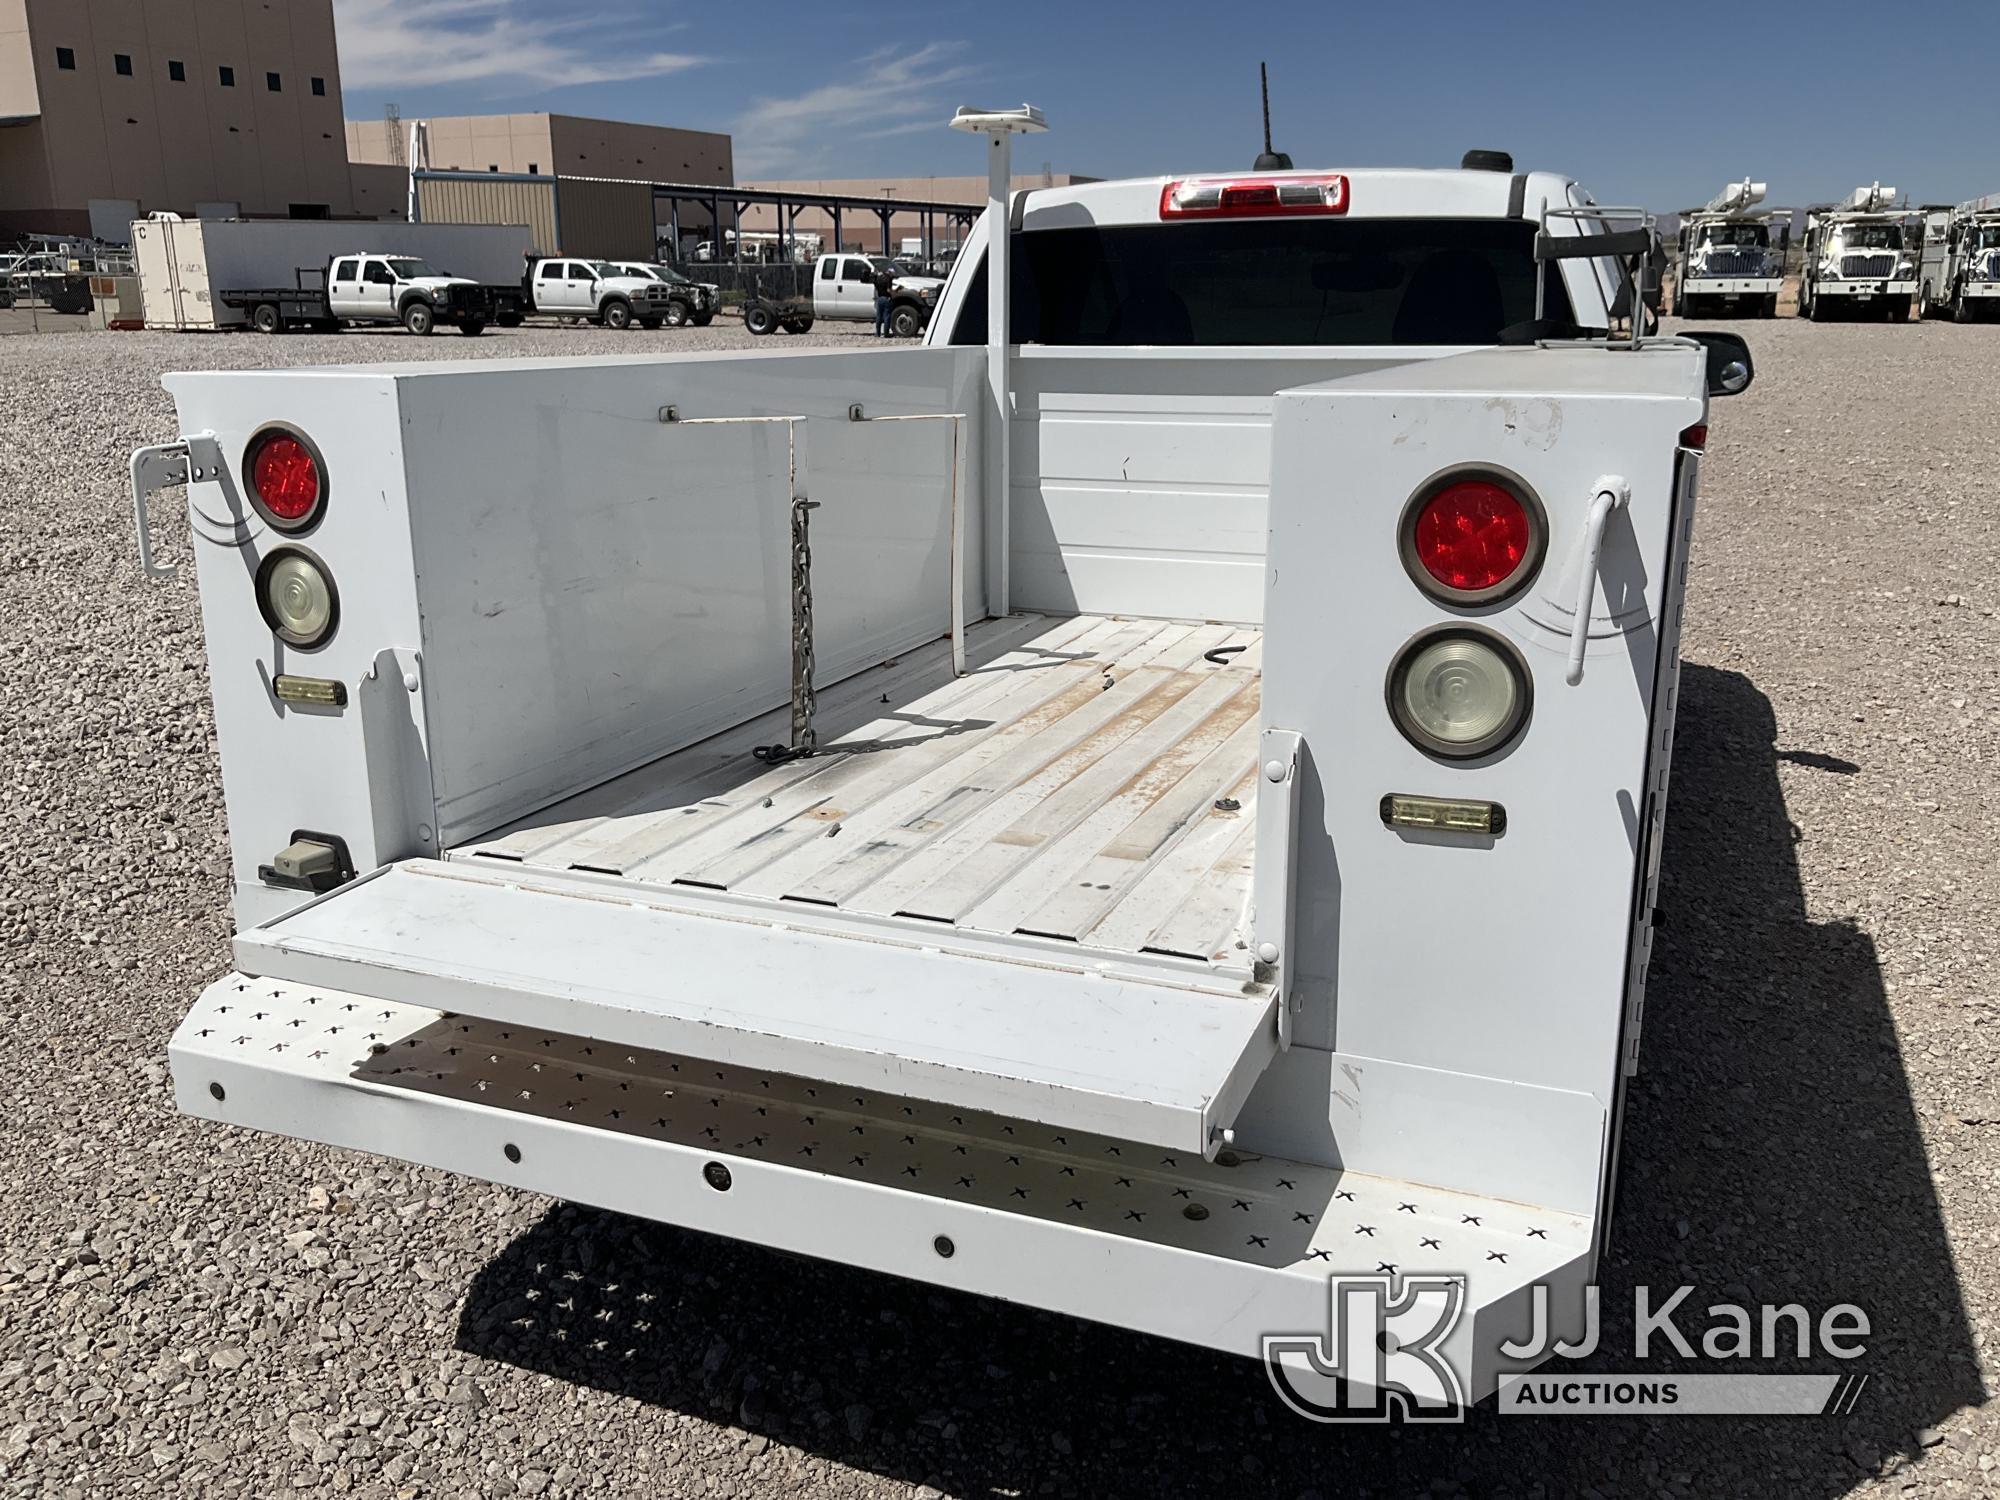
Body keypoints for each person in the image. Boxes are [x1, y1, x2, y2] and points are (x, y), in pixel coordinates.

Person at [873, 263, 895, 337]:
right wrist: (894, 293)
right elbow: (888, 290)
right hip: (886, 298)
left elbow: (876, 288)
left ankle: (878, 333)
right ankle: (886, 333)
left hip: (880, 298)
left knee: (879, 316)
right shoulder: (888, 278)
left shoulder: (879, 278)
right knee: (887, 316)